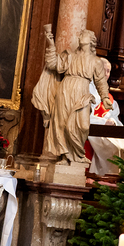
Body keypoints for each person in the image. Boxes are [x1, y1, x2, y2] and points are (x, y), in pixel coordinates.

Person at [31, 26, 111, 163]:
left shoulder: (96, 61)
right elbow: (53, 64)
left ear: (91, 40)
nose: (80, 37)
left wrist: (105, 97)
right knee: (62, 124)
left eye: (83, 35)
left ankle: (78, 155)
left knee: (83, 126)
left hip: (82, 93)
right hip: (65, 90)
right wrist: (51, 44)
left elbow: (101, 82)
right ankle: (64, 156)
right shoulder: (69, 56)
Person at [86, 59, 124, 175]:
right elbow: (83, 115)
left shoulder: (108, 95)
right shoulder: (86, 89)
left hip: (107, 130)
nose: (107, 74)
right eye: (104, 70)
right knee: (114, 148)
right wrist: (103, 123)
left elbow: (114, 115)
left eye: (109, 71)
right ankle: (104, 176)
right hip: (93, 129)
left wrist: (113, 122)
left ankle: (116, 179)